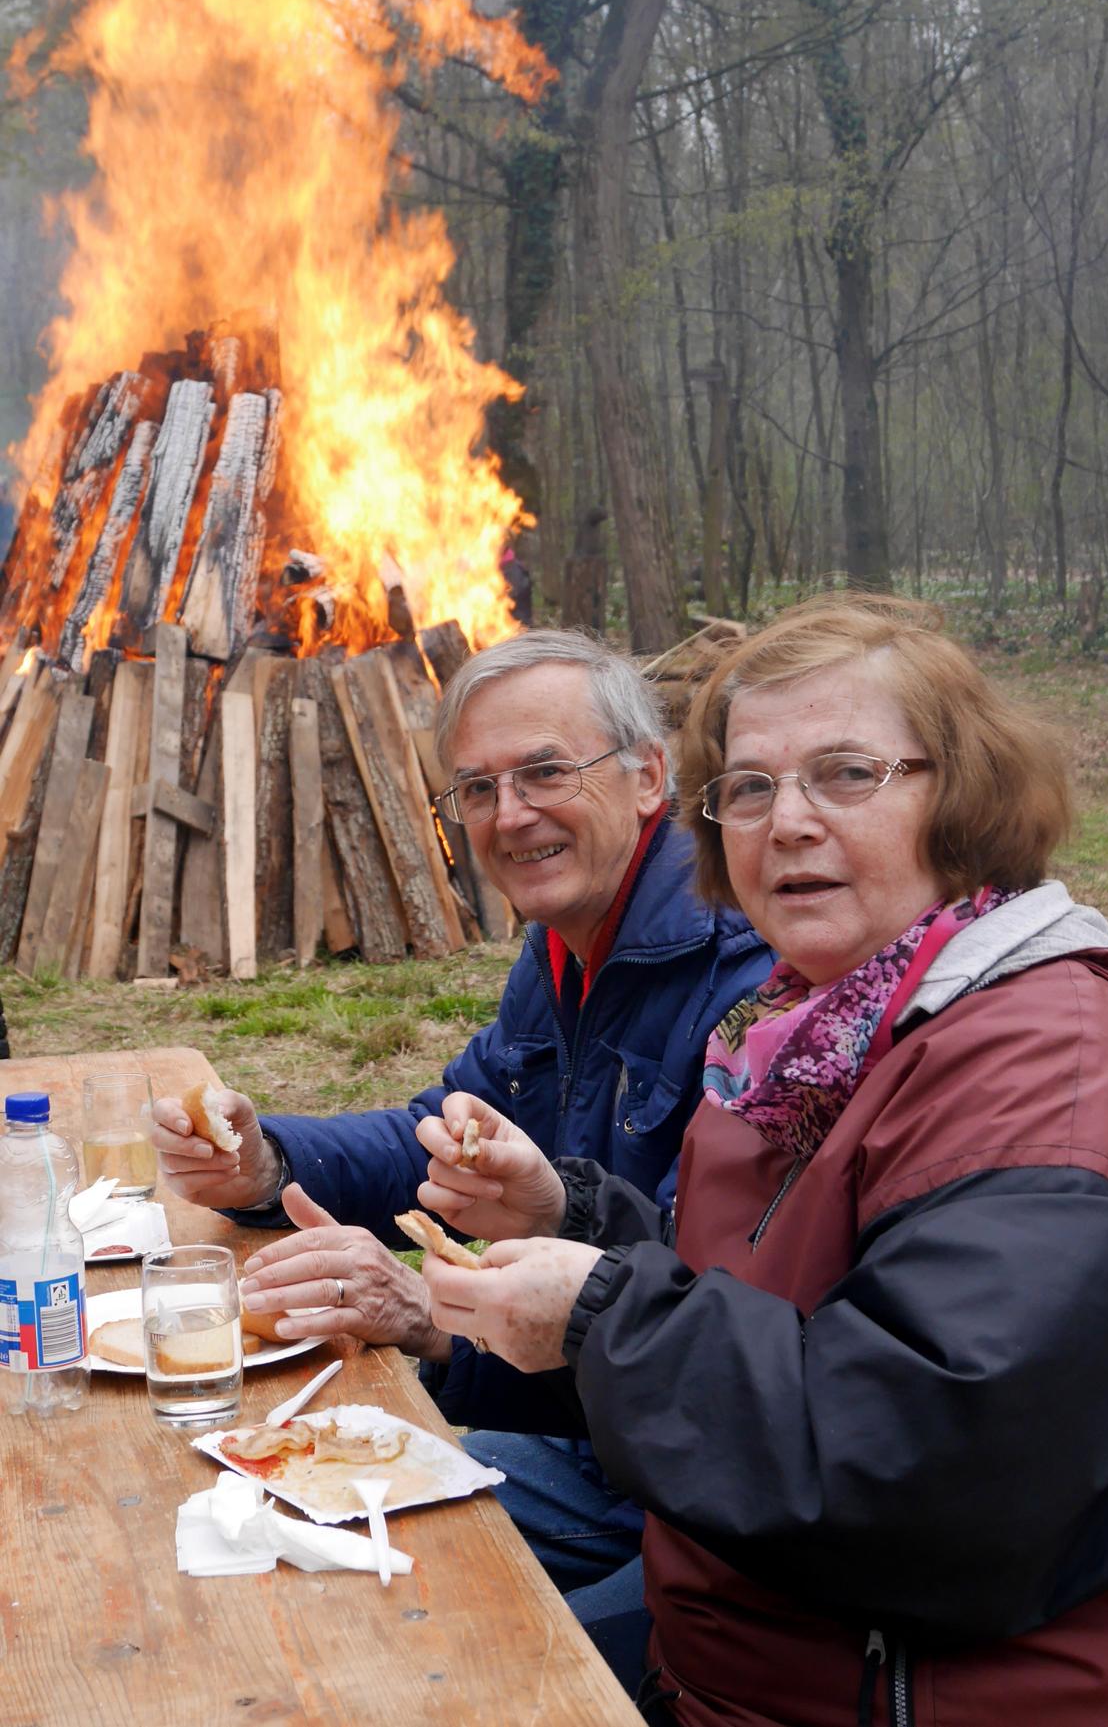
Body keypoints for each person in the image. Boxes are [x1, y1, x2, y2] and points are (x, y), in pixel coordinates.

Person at [412, 593, 1108, 1726]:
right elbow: (776, 1300)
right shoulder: (800, 1036)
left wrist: (597, 1313)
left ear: (964, 797)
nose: (785, 821)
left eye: (846, 773)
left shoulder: (1054, 1070)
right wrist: (571, 1224)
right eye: (749, 786)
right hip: (749, 1656)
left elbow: (922, 1465)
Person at [151, 627, 770, 1673]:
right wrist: (267, 1162)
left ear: (649, 776)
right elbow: (441, 1130)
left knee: (422, 1650)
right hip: (592, 1435)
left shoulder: (745, 973)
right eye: (477, 788)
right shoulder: (568, 943)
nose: (510, 813)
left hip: (702, 1501)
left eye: (545, 771)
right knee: (258, 1529)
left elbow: (712, 1312)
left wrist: (433, 1318)